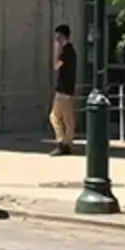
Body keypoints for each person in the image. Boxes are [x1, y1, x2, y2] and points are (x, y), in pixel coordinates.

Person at [50, 23, 77, 155]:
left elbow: (55, 65)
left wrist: (56, 50)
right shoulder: (72, 51)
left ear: (62, 37)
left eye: (57, 38)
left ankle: (62, 143)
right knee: (68, 119)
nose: (56, 40)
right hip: (69, 90)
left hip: (62, 91)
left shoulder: (65, 52)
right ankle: (68, 144)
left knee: (54, 117)